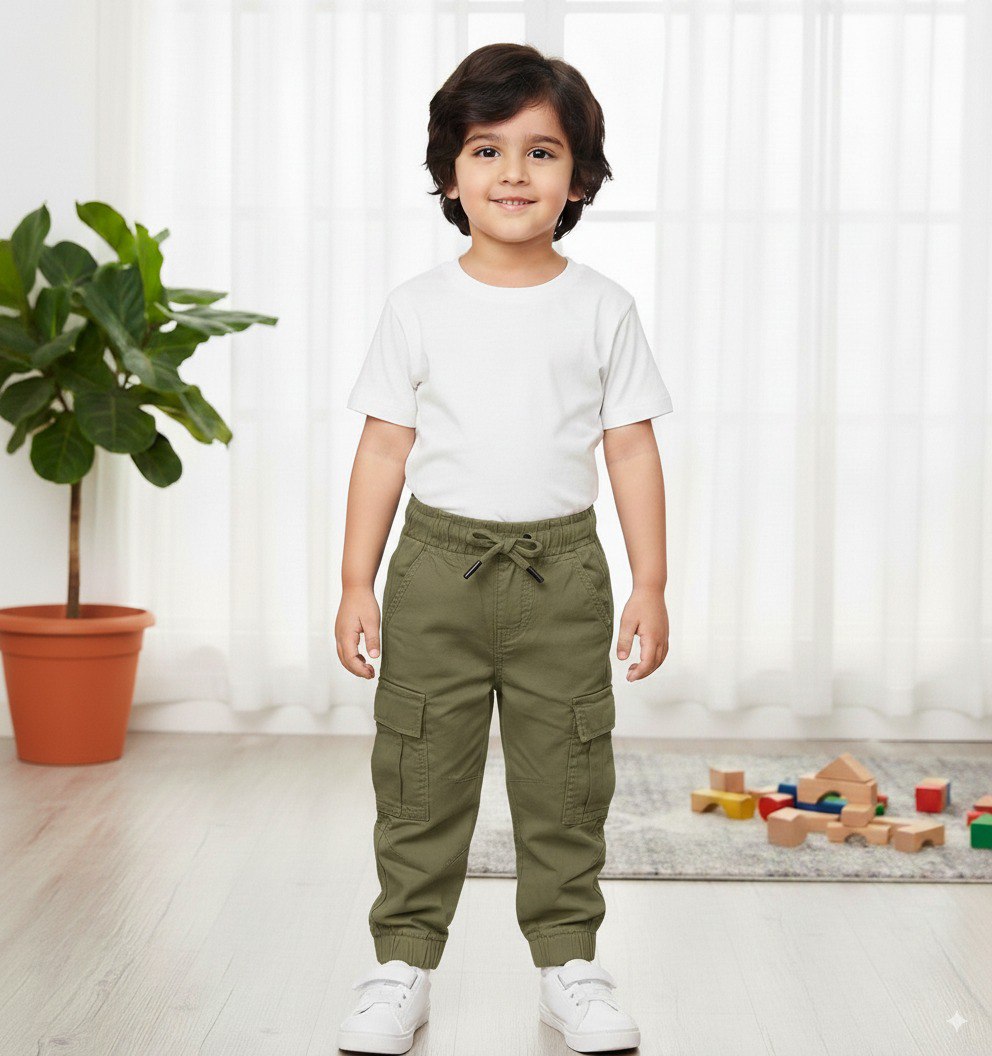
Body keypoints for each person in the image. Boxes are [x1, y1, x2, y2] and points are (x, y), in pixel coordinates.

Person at [335, 41, 673, 1055]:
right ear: (449, 172)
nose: (513, 174)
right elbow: (383, 447)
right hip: (435, 573)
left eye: (541, 152)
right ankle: (401, 966)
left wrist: (648, 581)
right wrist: (355, 579)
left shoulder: (602, 307)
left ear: (578, 178)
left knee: (565, 775)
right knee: (419, 771)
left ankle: (568, 965)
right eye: (487, 150)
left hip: (561, 576)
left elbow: (631, 450)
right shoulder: (417, 308)